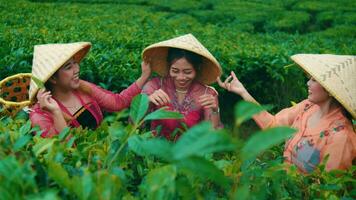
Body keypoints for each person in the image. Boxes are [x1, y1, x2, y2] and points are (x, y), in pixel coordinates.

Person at [218, 54, 356, 173]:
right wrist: (243, 92)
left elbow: (329, 188)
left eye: (314, 80)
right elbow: (273, 125)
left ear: (330, 89)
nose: (307, 83)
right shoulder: (307, 107)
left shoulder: (341, 137)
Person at [29, 42, 151, 137]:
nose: (77, 69)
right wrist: (55, 112)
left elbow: (117, 103)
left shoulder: (82, 87)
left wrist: (144, 76)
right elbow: (64, 153)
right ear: (53, 79)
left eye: (75, 63)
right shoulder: (40, 115)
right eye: (68, 67)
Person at [141, 34, 223, 140]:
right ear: (169, 67)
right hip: (157, 150)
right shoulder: (155, 86)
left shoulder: (207, 93)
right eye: (175, 71)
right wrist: (147, 102)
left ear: (197, 69)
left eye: (187, 72)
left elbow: (212, 136)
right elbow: (134, 124)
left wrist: (215, 110)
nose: (181, 77)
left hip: (189, 152)